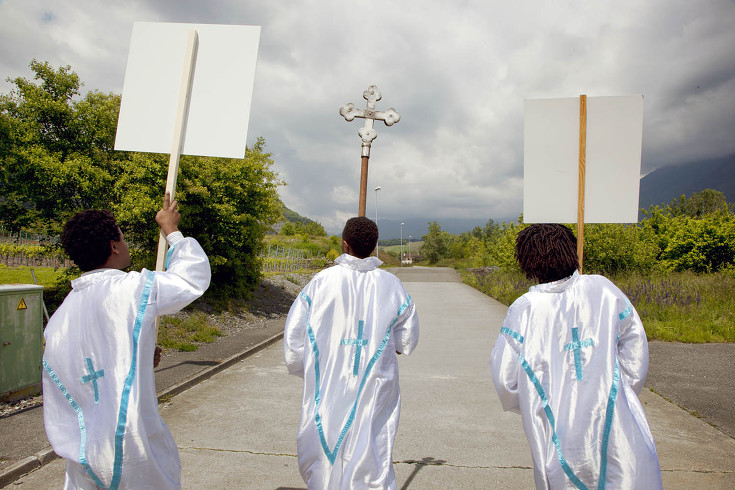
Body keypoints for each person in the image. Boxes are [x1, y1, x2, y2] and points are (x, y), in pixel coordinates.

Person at [42, 193, 211, 490]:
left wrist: (140, 354)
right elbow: (190, 279)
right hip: (130, 447)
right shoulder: (131, 288)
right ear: (114, 245)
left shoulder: (61, 315)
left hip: (82, 452)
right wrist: (172, 231)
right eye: (123, 236)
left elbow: (85, 366)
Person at [489, 223, 662, 490]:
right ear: (571, 253)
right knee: (622, 472)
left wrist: (536, 403)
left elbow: (505, 378)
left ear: (527, 262)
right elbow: (634, 342)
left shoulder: (525, 309)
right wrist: (621, 389)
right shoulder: (603, 290)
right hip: (614, 415)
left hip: (558, 423)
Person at [284, 216, 419, 489]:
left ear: (344, 244)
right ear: (374, 246)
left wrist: (309, 367)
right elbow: (407, 339)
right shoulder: (392, 285)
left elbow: (294, 341)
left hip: (329, 381)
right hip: (375, 382)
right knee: (370, 444)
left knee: (325, 441)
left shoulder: (320, 282)